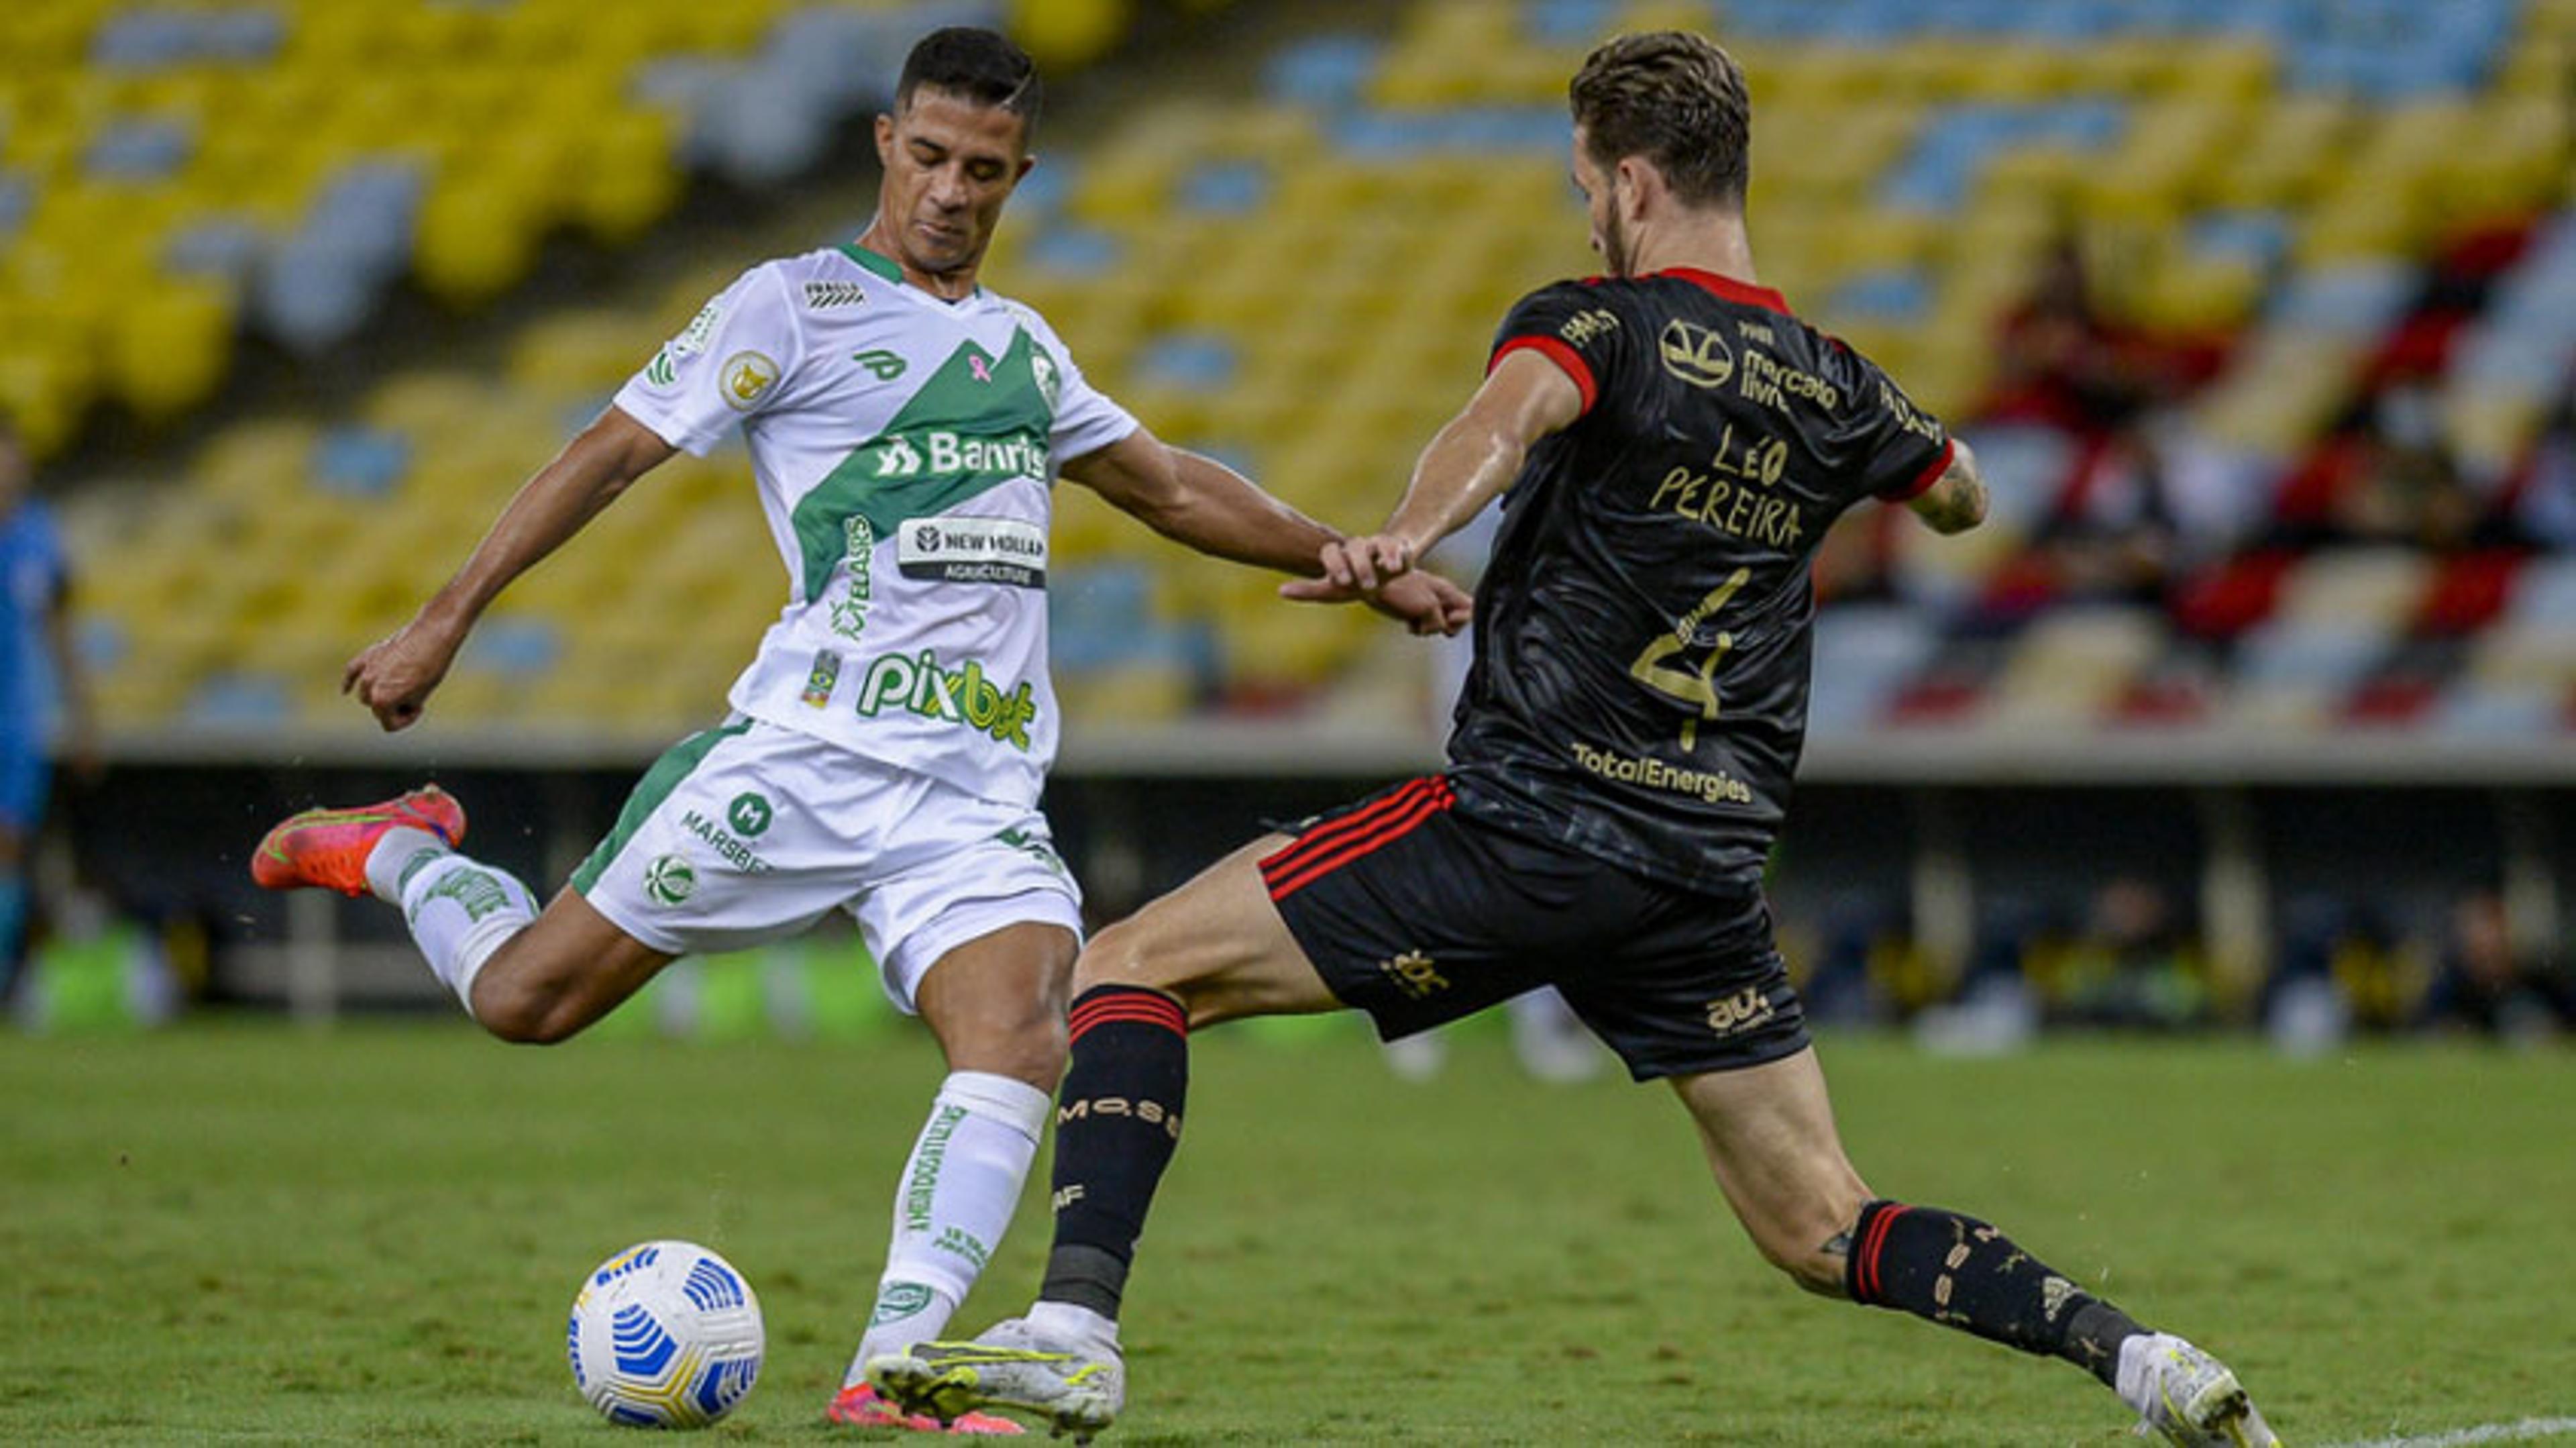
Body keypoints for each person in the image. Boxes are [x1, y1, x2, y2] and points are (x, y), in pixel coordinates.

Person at [870, 32, 2279, 1447]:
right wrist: (1882, 476)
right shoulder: (1835, 379)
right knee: (1821, 1220)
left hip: (1535, 822)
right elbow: (1964, 490)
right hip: (1701, 872)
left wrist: (1407, 532)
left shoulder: (1602, 323)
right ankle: (2136, 1353)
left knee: (1128, 967)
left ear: (1636, 180)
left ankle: (1072, 1333)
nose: (1583, 209)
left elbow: (1502, 418)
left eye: (1586, 182)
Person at [246, 26, 1466, 1437]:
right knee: (526, 999)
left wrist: (1353, 559)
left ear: (1020, 177)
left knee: (1018, 1031)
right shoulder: (791, 304)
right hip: (799, 760)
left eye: (987, 170)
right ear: (888, 141)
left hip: (972, 795)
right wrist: (444, 616)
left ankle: (886, 1367)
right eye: (933, 156)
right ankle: (403, 852)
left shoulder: (1021, 348)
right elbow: (611, 449)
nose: (954, 189)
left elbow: (1171, 485)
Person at [0, 415, 97, 1005]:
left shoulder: (38, 536)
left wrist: (84, 716)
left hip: (16, 720)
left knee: (8, 848)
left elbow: (61, 634)